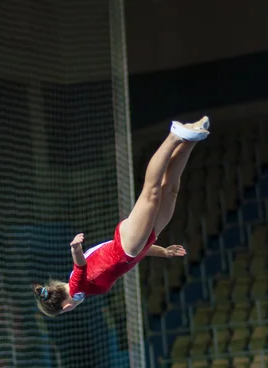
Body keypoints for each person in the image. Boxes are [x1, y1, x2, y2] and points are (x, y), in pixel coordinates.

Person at [33, 117, 210, 317]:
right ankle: (190, 139)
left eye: (67, 310)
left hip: (126, 247)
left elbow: (80, 265)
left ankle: (174, 136)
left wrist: (75, 248)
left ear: (66, 307)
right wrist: (163, 252)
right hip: (135, 246)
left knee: (151, 192)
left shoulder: (76, 289)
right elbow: (122, 259)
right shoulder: (81, 283)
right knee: (170, 189)